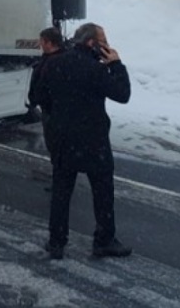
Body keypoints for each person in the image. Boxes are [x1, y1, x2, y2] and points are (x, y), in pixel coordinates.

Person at [34, 22, 132, 260]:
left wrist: (57, 118)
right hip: (93, 139)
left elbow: (40, 97)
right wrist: (117, 65)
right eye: (104, 41)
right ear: (91, 43)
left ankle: (57, 242)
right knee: (102, 192)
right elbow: (122, 94)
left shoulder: (54, 64)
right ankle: (104, 240)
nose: (106, 46)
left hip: (62, 138)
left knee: (61, 191)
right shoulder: (95, 69)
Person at [27, 26, 66, 164]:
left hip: (54, 111)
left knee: (57, 147)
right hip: (51, 109)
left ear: (49, 43)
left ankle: (60, 181)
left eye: (42, 41)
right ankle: (59, 179)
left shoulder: (56, 62)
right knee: (55, 147)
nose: (40, 44)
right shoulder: (49, 59)